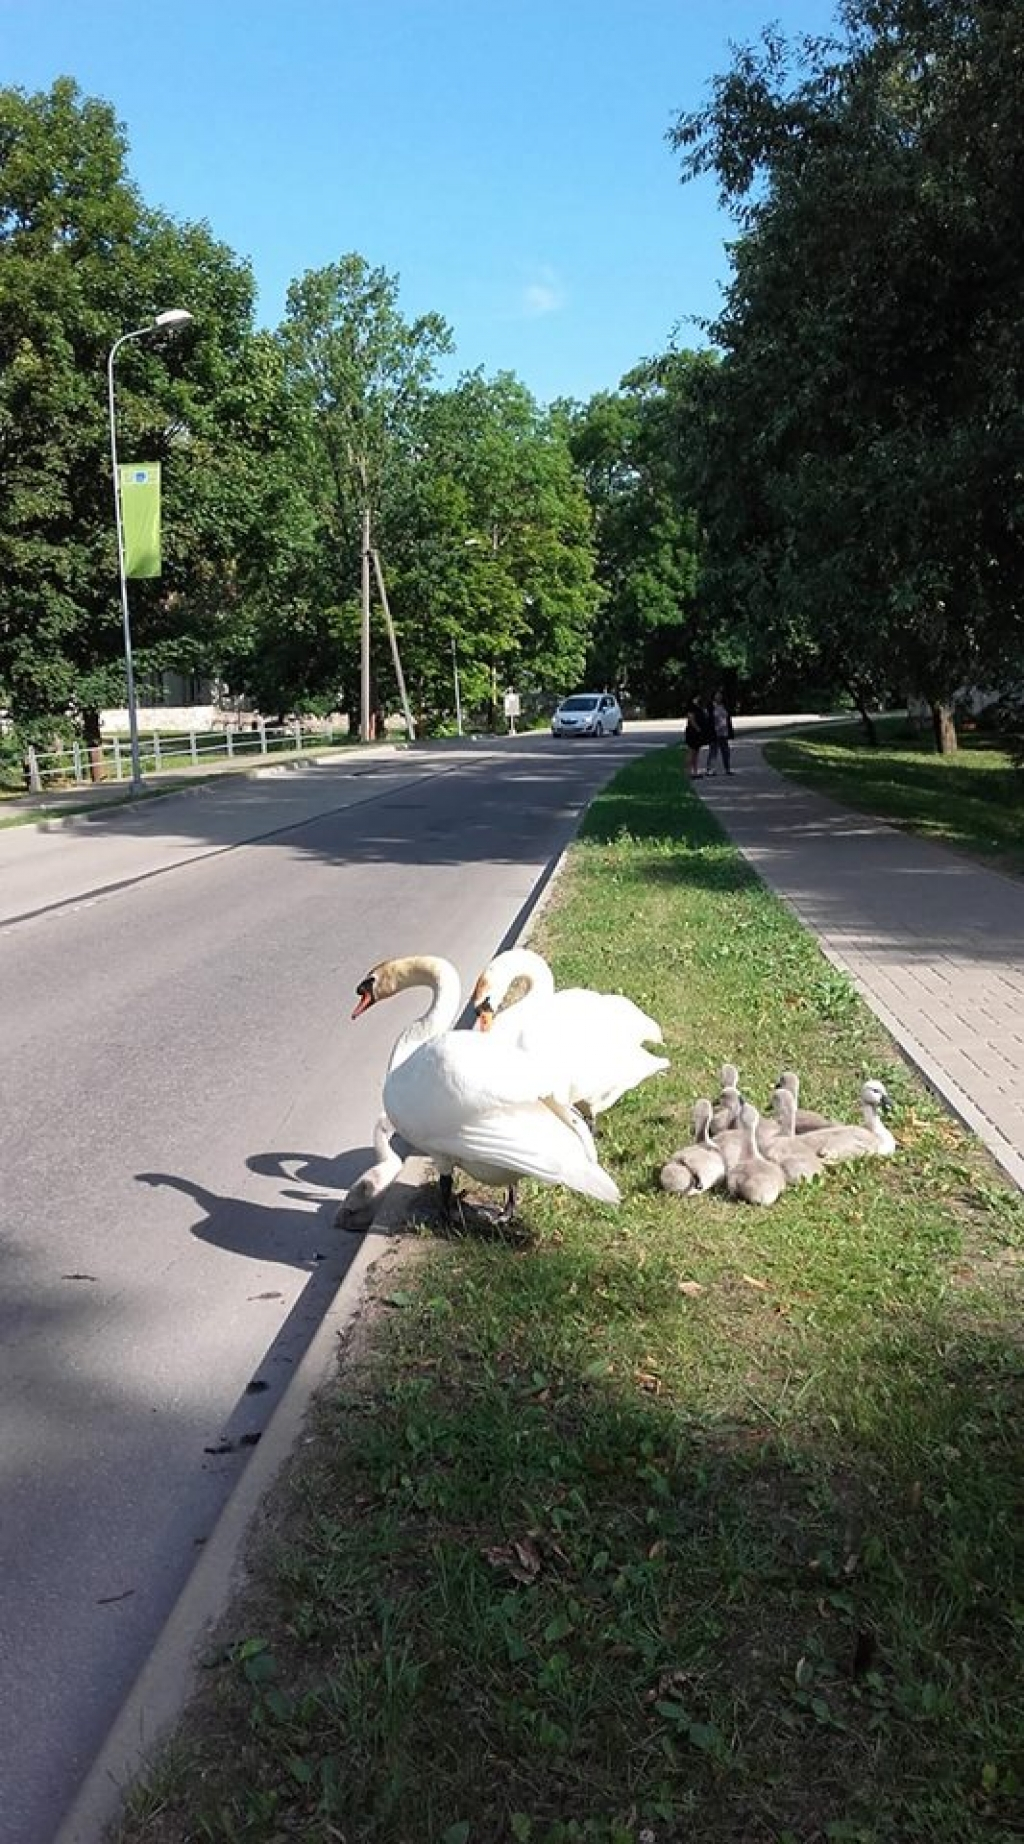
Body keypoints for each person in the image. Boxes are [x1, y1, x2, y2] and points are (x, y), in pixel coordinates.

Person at [706, 690, 735, 775]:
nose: (719, 697)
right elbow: (708, 719)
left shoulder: (724, 706)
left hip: (724, 732)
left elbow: (728, 718)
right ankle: (710, 770)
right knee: (713, 751)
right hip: (714, 732)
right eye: (717, 695)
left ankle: (727, 769)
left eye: (720, 695)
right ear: (714, 696)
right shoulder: (710, 706)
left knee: (726, 751)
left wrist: (730, 731)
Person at [684, 699, 709, 778]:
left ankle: (695, 771)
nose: (697, 699)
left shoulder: (699, 708)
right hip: (692, 732)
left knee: (696, 753)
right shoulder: (691, 708)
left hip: (698, 733)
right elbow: (691, 719)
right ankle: (688, 772)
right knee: (691, 752)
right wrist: (698, 728)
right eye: (695, 698)